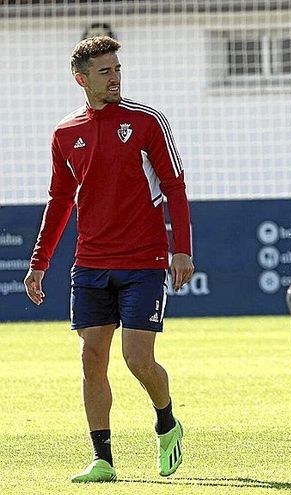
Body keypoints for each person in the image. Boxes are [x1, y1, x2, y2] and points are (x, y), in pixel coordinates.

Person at [22, 36, 193, 482]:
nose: (115, 78)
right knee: (91, 358)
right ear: (81, 79)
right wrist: (40, 261)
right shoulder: (64, 132)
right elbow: (59, 199)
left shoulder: (146, 121)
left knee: (137, 359)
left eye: (117, 69)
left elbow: (175, 186)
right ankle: (103, 459)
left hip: (144, 260)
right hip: (90, 263)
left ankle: (166, 421)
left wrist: (182, 249)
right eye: (105, 71)